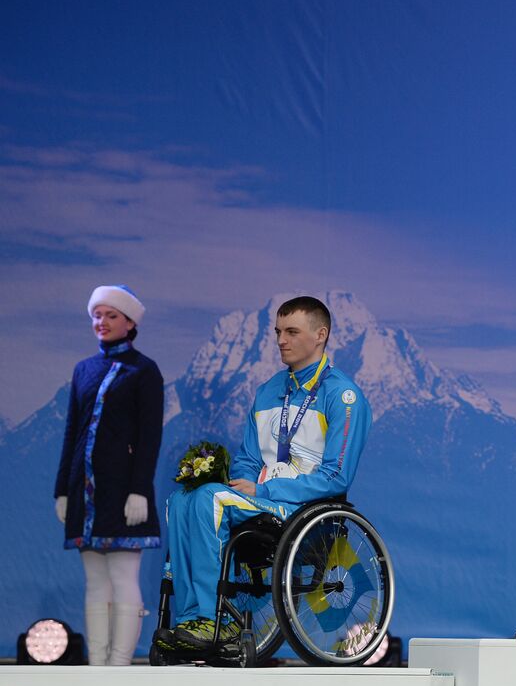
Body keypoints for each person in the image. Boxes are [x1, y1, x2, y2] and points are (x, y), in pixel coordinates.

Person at [155, 296, 371, 650]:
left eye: (291, 331)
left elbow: (337, 477)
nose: (281, 340)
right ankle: (190, 620)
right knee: (182, 498)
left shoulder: (342, 395)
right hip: (261, 499)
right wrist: (244, 482)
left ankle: (214, 621)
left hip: (303, 509)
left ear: (320, 335)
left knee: (211, 500)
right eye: (277, 332)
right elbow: (246, 459)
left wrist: (263, 490)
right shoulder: (268, 391)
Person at [53, 285, 164, 666]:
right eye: (97, 315)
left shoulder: (144, 371)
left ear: (130, 322)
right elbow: (72, 432)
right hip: (84, 490)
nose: (102, 322)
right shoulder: (83, 369)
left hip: (123, 490)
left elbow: (150, 436)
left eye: (111, 315)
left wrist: (139, 491)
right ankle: (97, 665)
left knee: (122, 577)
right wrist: (62, 491)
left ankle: (119, 665)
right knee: (95, 582)